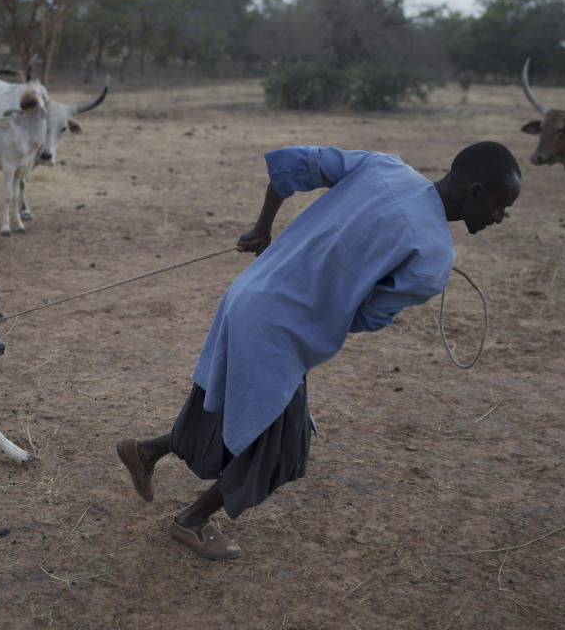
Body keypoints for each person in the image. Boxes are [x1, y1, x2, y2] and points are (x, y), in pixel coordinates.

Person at [116, 142, 522, 560]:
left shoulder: (386, 167)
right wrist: (334, 297)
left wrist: (262, 229)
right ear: (474, 192)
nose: (499, 218)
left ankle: (144, 451)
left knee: (229, 403)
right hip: (280, 329)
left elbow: (290, 166)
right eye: (500, 207)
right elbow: (367, 316)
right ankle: (192, 522)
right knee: (281, 446)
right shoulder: (434, 259)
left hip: (247, 294)